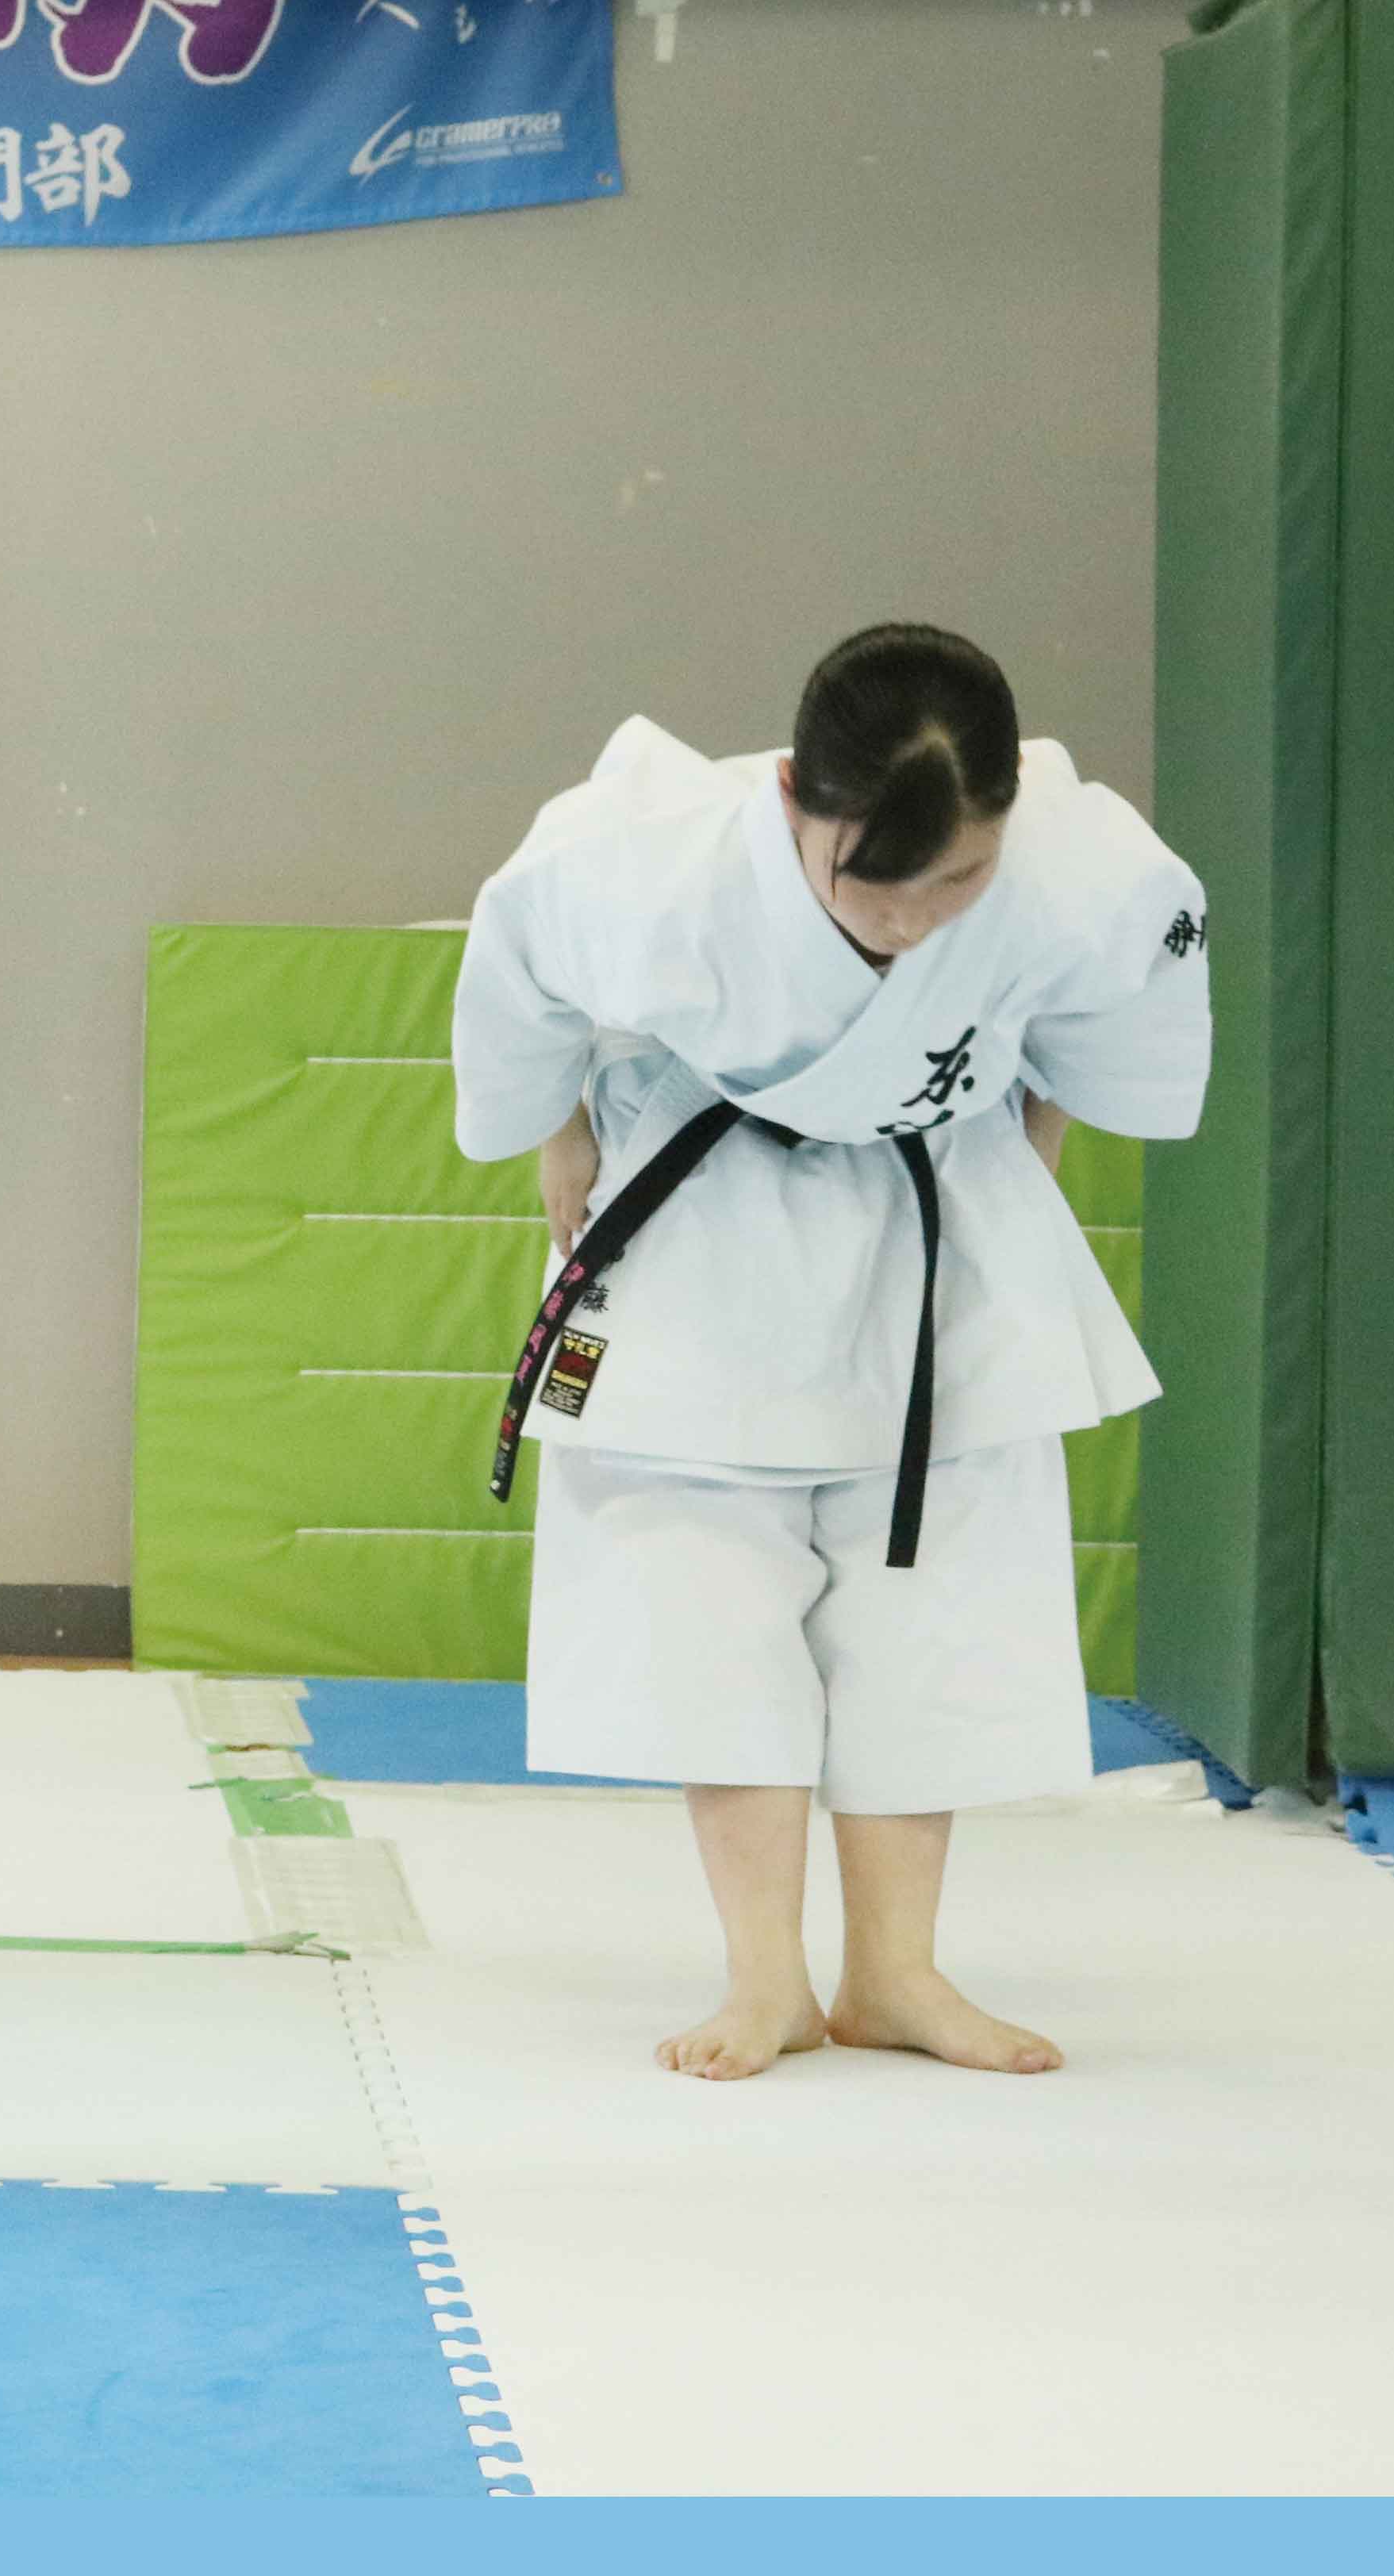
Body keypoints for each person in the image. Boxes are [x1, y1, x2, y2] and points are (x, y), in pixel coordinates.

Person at [451, 623, 1211, 2082]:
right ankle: (763, 1980)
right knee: (710, 1601)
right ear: (797, 796)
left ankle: (897, 1973)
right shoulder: (635, 862)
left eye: (963, 881)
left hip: (937, 1219)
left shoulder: (1092, 873)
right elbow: (519, 983)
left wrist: (1030, 1165)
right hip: (701, 1210)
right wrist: (560, 1133)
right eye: (876, 885)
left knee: (926, 1608)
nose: (919, 923)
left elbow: (1115, 1031)